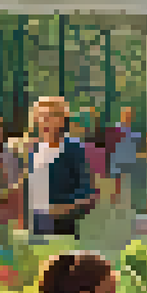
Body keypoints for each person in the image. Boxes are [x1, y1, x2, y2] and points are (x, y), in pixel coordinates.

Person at [25, 96, 98, 237]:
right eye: (41, 116)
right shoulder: (33, 149)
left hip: (65, 225)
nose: (45, 121)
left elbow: (86, 189)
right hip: (36, 225)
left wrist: (63, 208)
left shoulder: (73, 148)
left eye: (51, 116)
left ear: (62, 120)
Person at [106, 106, 143, 202]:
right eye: (125, 114)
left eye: (129, 115)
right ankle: (116, 195)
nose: (127, 117)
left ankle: (131, 197)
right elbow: (110, 143)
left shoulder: (133, 132)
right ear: (121, 115)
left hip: (128, 158)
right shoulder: (116, 129)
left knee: (129, 179)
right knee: (117, 178)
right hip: (118, 157)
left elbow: (137, 144)